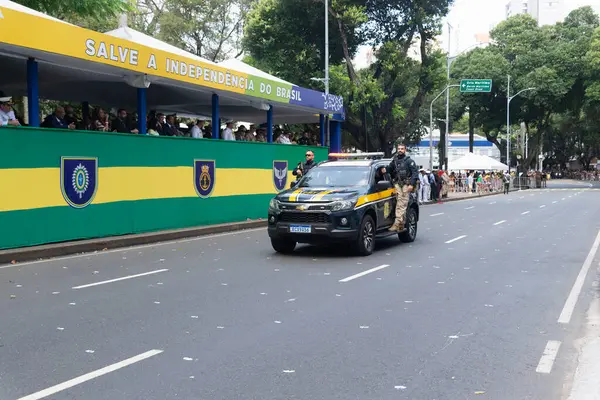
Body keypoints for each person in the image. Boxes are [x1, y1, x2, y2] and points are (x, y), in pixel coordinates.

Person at [381, 143, 419, 232]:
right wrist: (384, 170)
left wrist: (411, 185)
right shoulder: (394, 160)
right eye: (399, 148)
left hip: (406, 186)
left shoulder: (409, 161)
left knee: (401, 205)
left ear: (405, 150)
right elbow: (389, 169)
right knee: (400, 205)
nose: (400, 150)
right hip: (397, 185)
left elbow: (415, 173)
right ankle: (401, 225)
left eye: (402, 148)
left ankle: (397, 224)